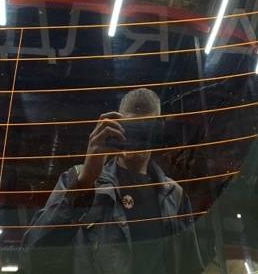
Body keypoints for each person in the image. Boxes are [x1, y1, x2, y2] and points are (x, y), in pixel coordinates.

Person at [21, 88, 203, 274]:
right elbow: (33, 257)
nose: (136, 138)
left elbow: (191, 267)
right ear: (116, 128)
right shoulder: (82, 180)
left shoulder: (174, 195)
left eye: (144, 129)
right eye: (130, 129)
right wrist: (84, 182)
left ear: (157, 130)